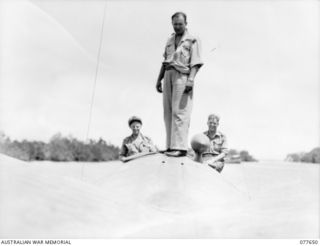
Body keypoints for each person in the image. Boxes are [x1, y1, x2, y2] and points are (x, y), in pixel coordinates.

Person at [156, 12, 203, 157]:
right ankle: (170, 146)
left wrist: (191, 80)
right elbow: (165, 61)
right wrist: (159, 79)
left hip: (182, 76)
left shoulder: (192, 39)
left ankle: (181, 148)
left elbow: (196, 62)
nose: (177, 27)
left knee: (180, 112)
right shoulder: (170, 39)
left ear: (186, 23)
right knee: (168, 112)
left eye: (180, 24)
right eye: (175, 24)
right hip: (168, 74)